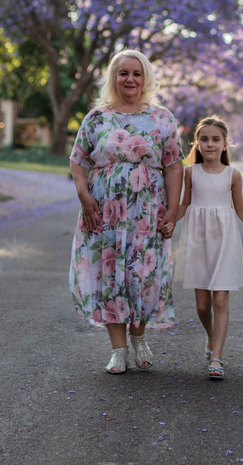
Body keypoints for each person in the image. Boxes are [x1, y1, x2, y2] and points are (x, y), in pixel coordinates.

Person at [69, 49, 185, 374]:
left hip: (147, 212)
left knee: (143, 276)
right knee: (111, 276)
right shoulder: (97, 118)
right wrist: (84, 196)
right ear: (113, 78)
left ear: (145, 78)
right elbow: (78, 161)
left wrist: (173, 210)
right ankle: (118, 349)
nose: (130, 79)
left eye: (136, 73)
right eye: (123, 73)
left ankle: (138, 335)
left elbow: (174, 166)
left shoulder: (162, 118)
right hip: (104, 212)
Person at [176, 116, 243, 381]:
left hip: (224, 242)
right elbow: (184, 204)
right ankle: (210, 335)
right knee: (201, 305)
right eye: (204, 139)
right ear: (197, 142)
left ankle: (217, 357)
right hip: (197, 241)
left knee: (220, 299)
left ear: (225, 144)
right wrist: (164, 221)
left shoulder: (233, 175)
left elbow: (241, 209)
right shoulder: (190, 173)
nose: (209, 144)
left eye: (215, 139)